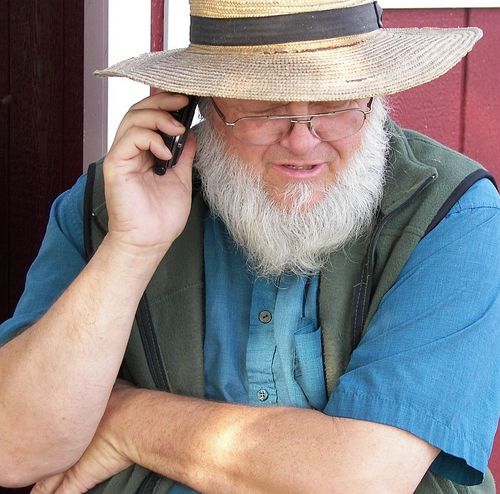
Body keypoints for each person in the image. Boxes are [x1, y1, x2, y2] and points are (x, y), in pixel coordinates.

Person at [0, 1, 498, 493]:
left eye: (335, 103)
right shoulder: (108, 208)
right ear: (199, 102)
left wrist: (127, 419)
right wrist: (131, 247)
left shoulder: (453, 214)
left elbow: (365, 478)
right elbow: (14, 449)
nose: (302, 141)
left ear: (376, 95)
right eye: (264, 106)